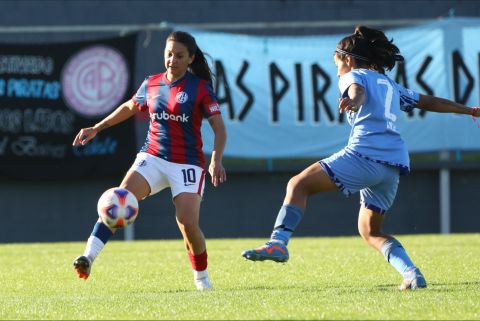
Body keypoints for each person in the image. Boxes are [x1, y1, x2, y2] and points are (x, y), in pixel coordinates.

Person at [241, 26, 480, 290]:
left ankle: (278, 242)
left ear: (348, 59)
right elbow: (429, 101)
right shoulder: (390, 84)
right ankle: (411, 273)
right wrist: (468, 109)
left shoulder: (353, 75)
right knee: (371, 231)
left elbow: (355, 89)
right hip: (393, 167)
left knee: (298, 185)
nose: (338, 72)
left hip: (364, 156)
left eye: (337, 65)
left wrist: (354, 100)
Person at [72, 31, 227, 291]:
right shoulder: (152, 83)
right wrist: (97, 127)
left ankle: (202, 280)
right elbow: (130, 107)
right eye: (169, 54)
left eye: (179, 56)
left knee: (188, 225)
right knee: (118, 200)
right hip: (153, 157)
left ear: (190, 59)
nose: (172, 60)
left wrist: (216, 160)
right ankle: (87, 257)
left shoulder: (200, 88)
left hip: (187, 164)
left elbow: (220, 129)